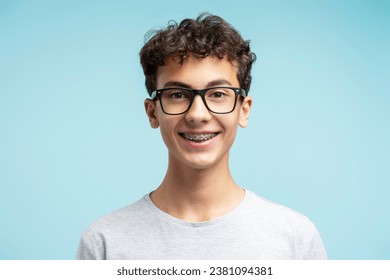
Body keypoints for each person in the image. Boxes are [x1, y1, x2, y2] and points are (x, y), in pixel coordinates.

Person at [76, 13, 327, 260]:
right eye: (177, 94)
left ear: (244, 109)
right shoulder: (104, 242)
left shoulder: (295, 239)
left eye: (218, 94)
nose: (198, 114)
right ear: (153, 112)